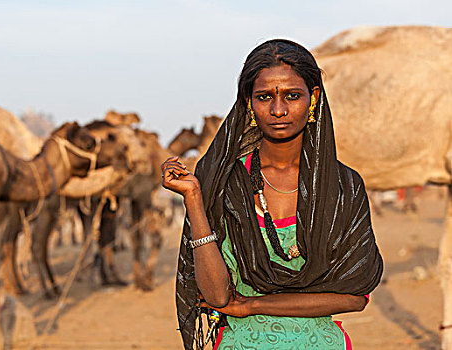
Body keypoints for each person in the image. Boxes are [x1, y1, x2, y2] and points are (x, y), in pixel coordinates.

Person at [161, 39, 383, 350]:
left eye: (292, 96)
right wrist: (195, 201)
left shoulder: (343, 186)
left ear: (314, 98)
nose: (278, 110)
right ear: (249, 103)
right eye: (265, 97)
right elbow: (216, 296)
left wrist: (252, 305)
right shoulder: (226, 182)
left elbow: (355, 297)